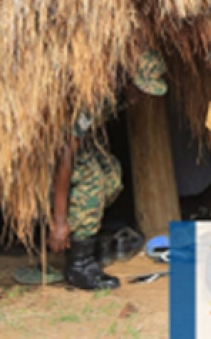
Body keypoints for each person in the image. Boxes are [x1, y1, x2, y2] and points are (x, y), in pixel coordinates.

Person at [48, 49, 168, 291]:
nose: (140, 97)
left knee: (111, 177)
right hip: (61, 144)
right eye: (139, 89)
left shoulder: (119, 94)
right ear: (127, 80)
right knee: (91, 182)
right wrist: (59, 221)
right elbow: (65, 152)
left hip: (88, 140)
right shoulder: (93, 96)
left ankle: (90, 238)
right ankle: (78, 264)